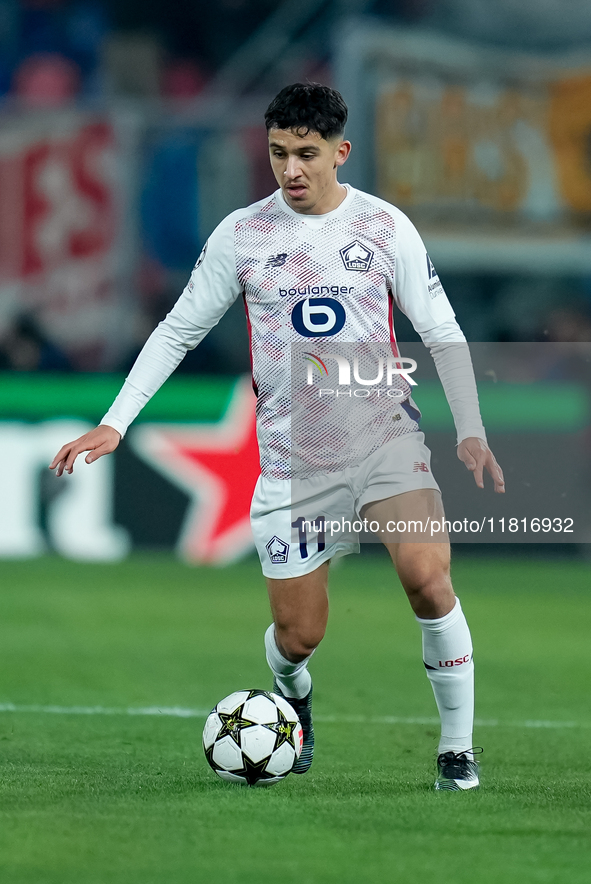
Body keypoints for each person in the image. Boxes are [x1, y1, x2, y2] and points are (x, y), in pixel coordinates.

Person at [50, 83, 505, 791]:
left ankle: (456, 750)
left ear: (338, 153)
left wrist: (470, 429)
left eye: (305, 154)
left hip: (385, 439)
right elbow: (179, 329)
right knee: (299, 637)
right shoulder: (241, 234)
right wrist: (116, 421)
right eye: (277, 154)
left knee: (426, 578)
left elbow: (441, 333)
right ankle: (293, 695)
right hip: (294, 461)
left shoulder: (385, 229)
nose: (290, 169)